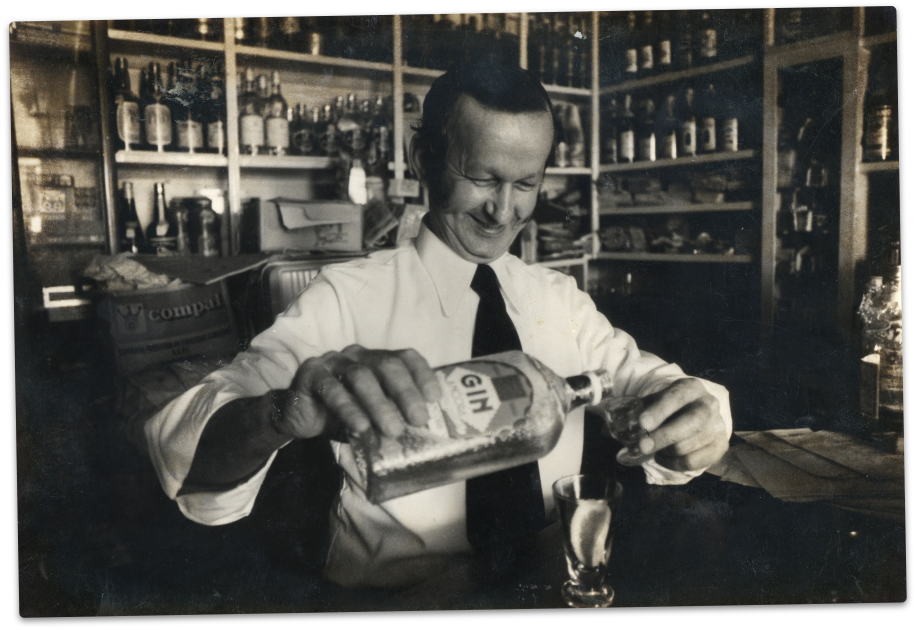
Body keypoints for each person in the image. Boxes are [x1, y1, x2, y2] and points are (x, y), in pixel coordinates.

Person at [145, 61, 731, 589]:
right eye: (482, 177)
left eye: (525, 183)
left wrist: (692, 418)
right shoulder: (346, 298)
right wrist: (279, 412)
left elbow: (656, 388)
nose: (503, 210)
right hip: (397, 599)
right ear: (425, 159)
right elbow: (188, 457)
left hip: (548, 584)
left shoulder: (561, 300)